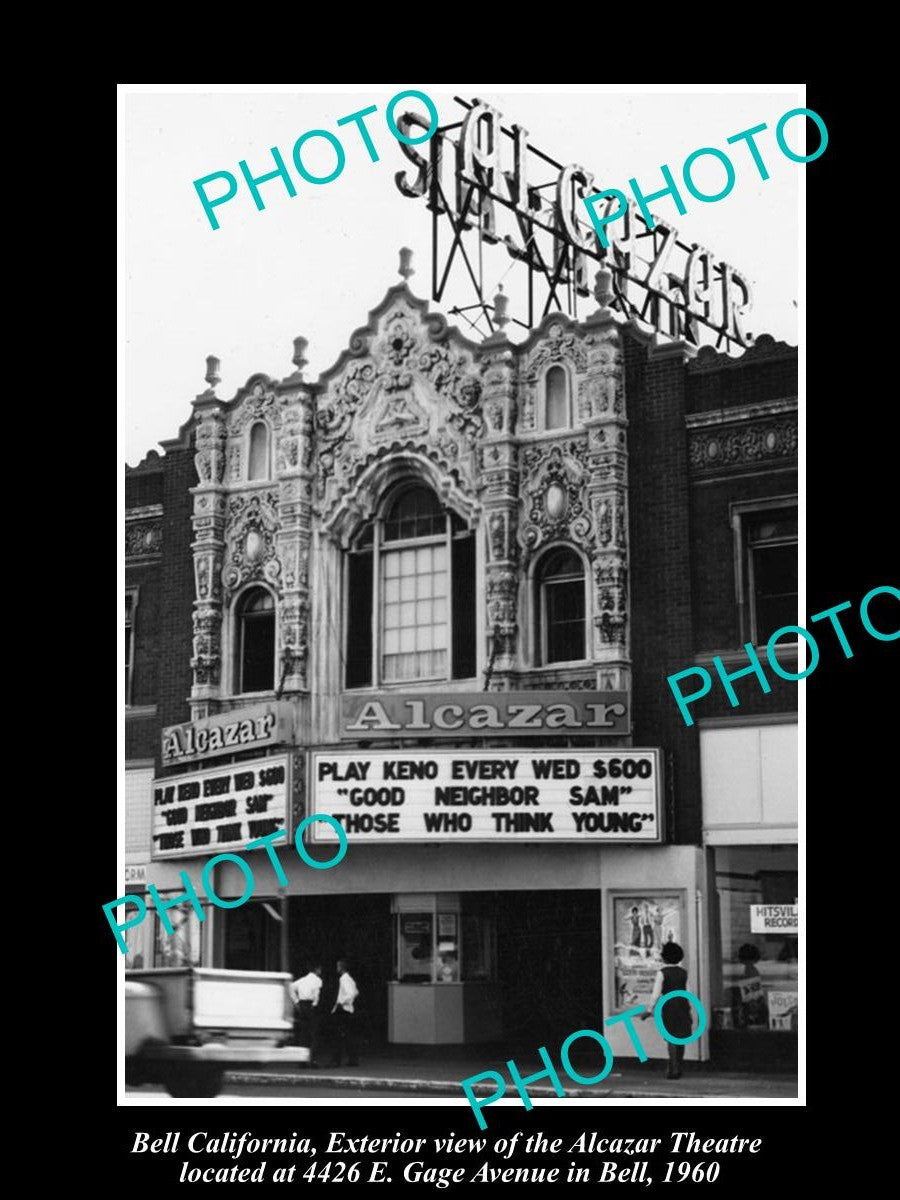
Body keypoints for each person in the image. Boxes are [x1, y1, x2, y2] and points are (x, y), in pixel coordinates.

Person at [641, 941, 692, 1080]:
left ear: (664, 957)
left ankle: (673, 1069)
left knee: (671, 1037)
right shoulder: (683, 973)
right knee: (680, 1037)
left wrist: (649, 1010)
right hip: (682, 1005)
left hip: (669, 1006)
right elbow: (689, 992)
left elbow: (656, 994)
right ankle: (679, 1066)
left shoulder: (662, 973)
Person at [290, 963, 323, 1067]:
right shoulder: (318, 980)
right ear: (317, 970)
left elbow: (290, 987)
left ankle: (302, 1061)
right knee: (314, 1033)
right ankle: (313, 1060)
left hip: (302, 1005)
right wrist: (315, 1004)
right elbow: (317, 994)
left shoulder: (302, 980)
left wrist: (296, 1002)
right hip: (311, 1006)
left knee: (303, 1033)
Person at [330, 959, 360, 1067]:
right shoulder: (350, 979)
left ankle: (336, 1060)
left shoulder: (344, 979)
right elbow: (356, 992)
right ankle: (352, 1059)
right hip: (348, 1009)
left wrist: (341, 1002)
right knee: (347, 1035)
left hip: (342, 1009)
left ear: (341, 967)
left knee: (338, 1035)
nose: (336, 968)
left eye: (338, 966)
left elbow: (351, 993)